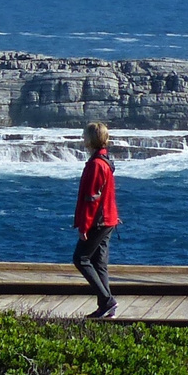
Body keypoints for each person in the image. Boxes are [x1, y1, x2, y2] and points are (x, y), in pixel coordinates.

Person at [73, 122, 119, 319]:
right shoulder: (105, 161)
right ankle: (106, 306)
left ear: (91, 138)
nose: (83, 138)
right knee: (99, 262)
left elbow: (91, 198)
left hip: (99, 221)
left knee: (81, 258)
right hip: (109, 218)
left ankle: (107, 301)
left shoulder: (96, 164)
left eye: (85, 135)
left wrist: (84, 225)